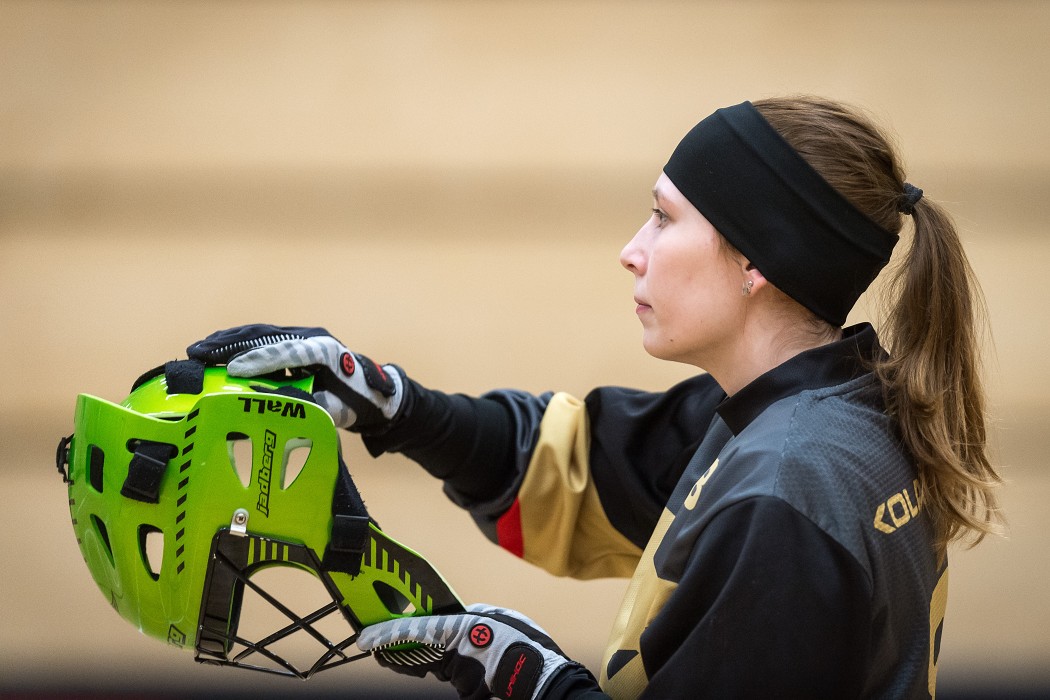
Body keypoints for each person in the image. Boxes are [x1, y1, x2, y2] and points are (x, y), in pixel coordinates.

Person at [188, 96, 1003, 699]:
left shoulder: (783, 491)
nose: (631, 251)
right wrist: (391, 403)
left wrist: (526, 680)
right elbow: (580, 469)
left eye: (661, 218)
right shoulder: (828, 410)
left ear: (757, 261)